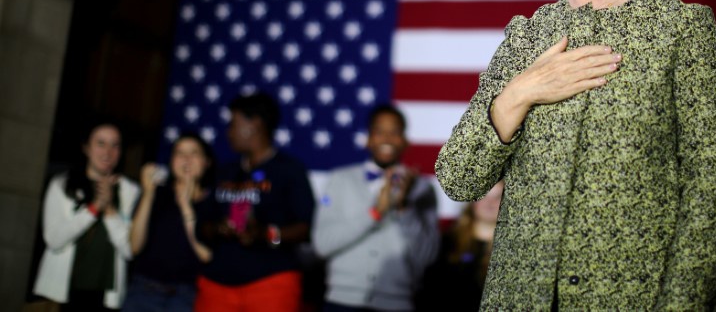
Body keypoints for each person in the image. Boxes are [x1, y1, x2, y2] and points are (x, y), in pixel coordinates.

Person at [434, 0, 716, 310]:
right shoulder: (526, 37)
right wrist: (519, 92)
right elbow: (457, 178)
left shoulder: (680, 30)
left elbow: (710, 191)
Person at [311, 103, 440, 312]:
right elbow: (321, 245)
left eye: (395, 132)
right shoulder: (340, 180)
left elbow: (427, 256)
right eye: (379, 132)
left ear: (406, 141)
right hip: (342, 301)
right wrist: (375, 213)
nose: (387, 139)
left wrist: (404, 207)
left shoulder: (422, 189)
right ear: (368, 139)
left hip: (397, 303)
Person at [194, 92, 316, 312]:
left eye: (233, 124)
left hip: (271, 283)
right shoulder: (225, 172)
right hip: (217, 283)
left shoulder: (289, 170)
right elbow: (202, 226)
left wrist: (264, 234)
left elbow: (306, 229)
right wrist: (219, 228)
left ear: (255, 124)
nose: (228, 132)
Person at [32, 121, 141, 311]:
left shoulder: (129, 190)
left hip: (106, 296)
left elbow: (129, 250)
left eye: (115, 145)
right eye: (101, 143)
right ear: (86, 148)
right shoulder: (61, 185)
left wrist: (109, 210)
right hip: (65, 292)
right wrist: (94, 207)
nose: (108, 151)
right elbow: (54, 240)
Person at [122, 132, 215, 312]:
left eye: (194, 153)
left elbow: (207, 255)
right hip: (143, 290)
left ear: (206, 162)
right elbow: (134, 246)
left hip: (187, 296)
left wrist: (186, 206)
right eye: (180, 153)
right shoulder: (157, 194)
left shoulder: (213, 202)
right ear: (171, 161)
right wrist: (148, 193)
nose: (186, 159)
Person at [415, 180, 504, 312]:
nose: (489, 204)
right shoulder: (447, 241)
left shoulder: (516, 250)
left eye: (498, 197)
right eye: (484, 195)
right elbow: (428, 290)